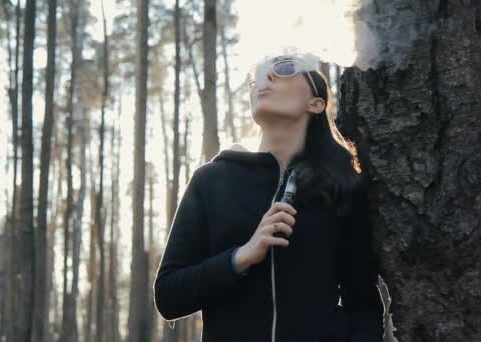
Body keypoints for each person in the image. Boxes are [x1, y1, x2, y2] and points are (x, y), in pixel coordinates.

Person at [153, 53, 385, 342]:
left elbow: (362, 304)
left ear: (316, 102)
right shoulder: (211, 180)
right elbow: (168, 296)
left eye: (284, 68)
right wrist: (241, 257)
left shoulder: (342, 186)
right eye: (257, 76)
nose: (266, 77)